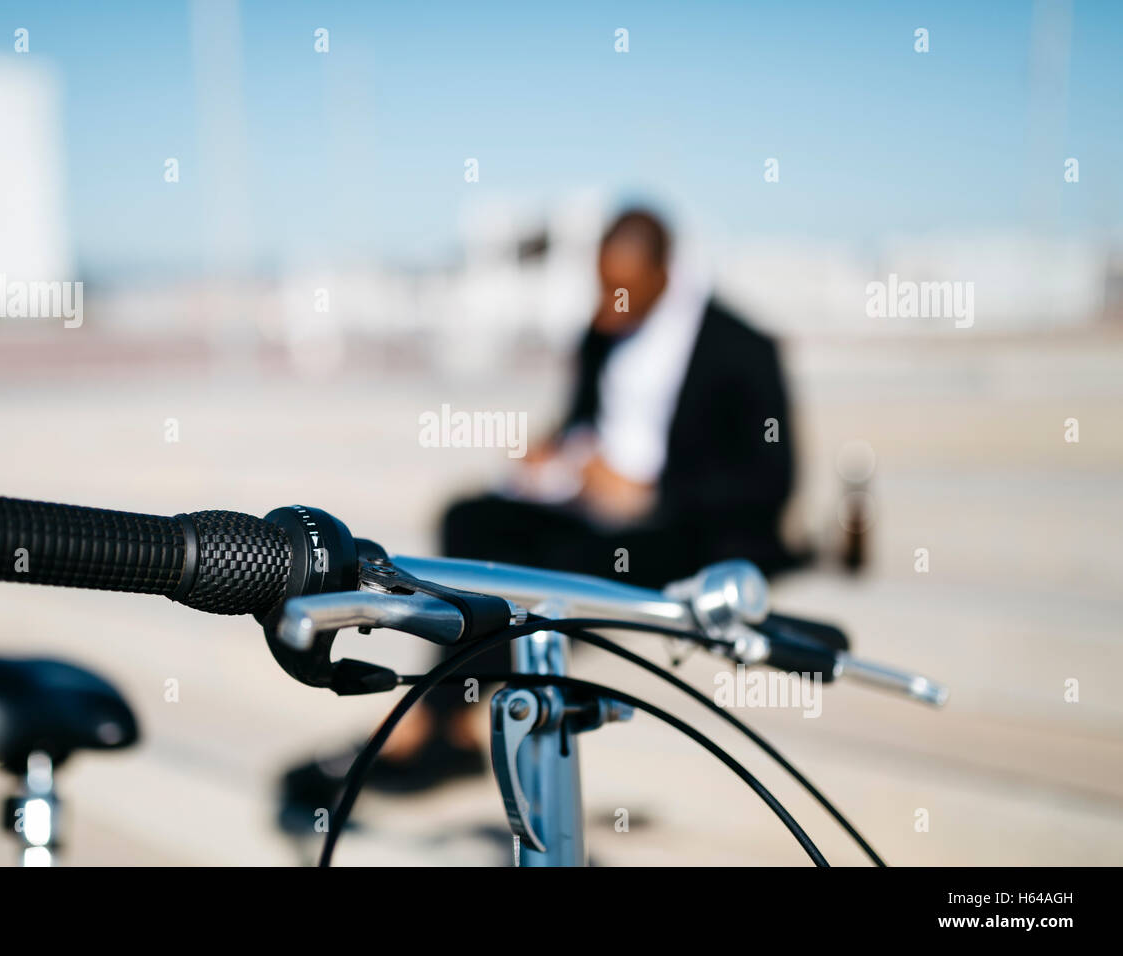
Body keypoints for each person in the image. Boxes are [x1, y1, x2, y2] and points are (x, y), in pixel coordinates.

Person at [279, 208, 806, 823]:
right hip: (589, 504)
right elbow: (585, 422)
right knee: (468, 519)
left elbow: (772, 482)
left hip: (681, 528)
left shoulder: (741, 346)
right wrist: (552, 452)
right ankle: (448, 718)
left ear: (667, 274)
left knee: (550, 568)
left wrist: (651, 491)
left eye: (627, 287)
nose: (613, 302)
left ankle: (432, 721)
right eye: (604, 284)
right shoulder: (602, 329)